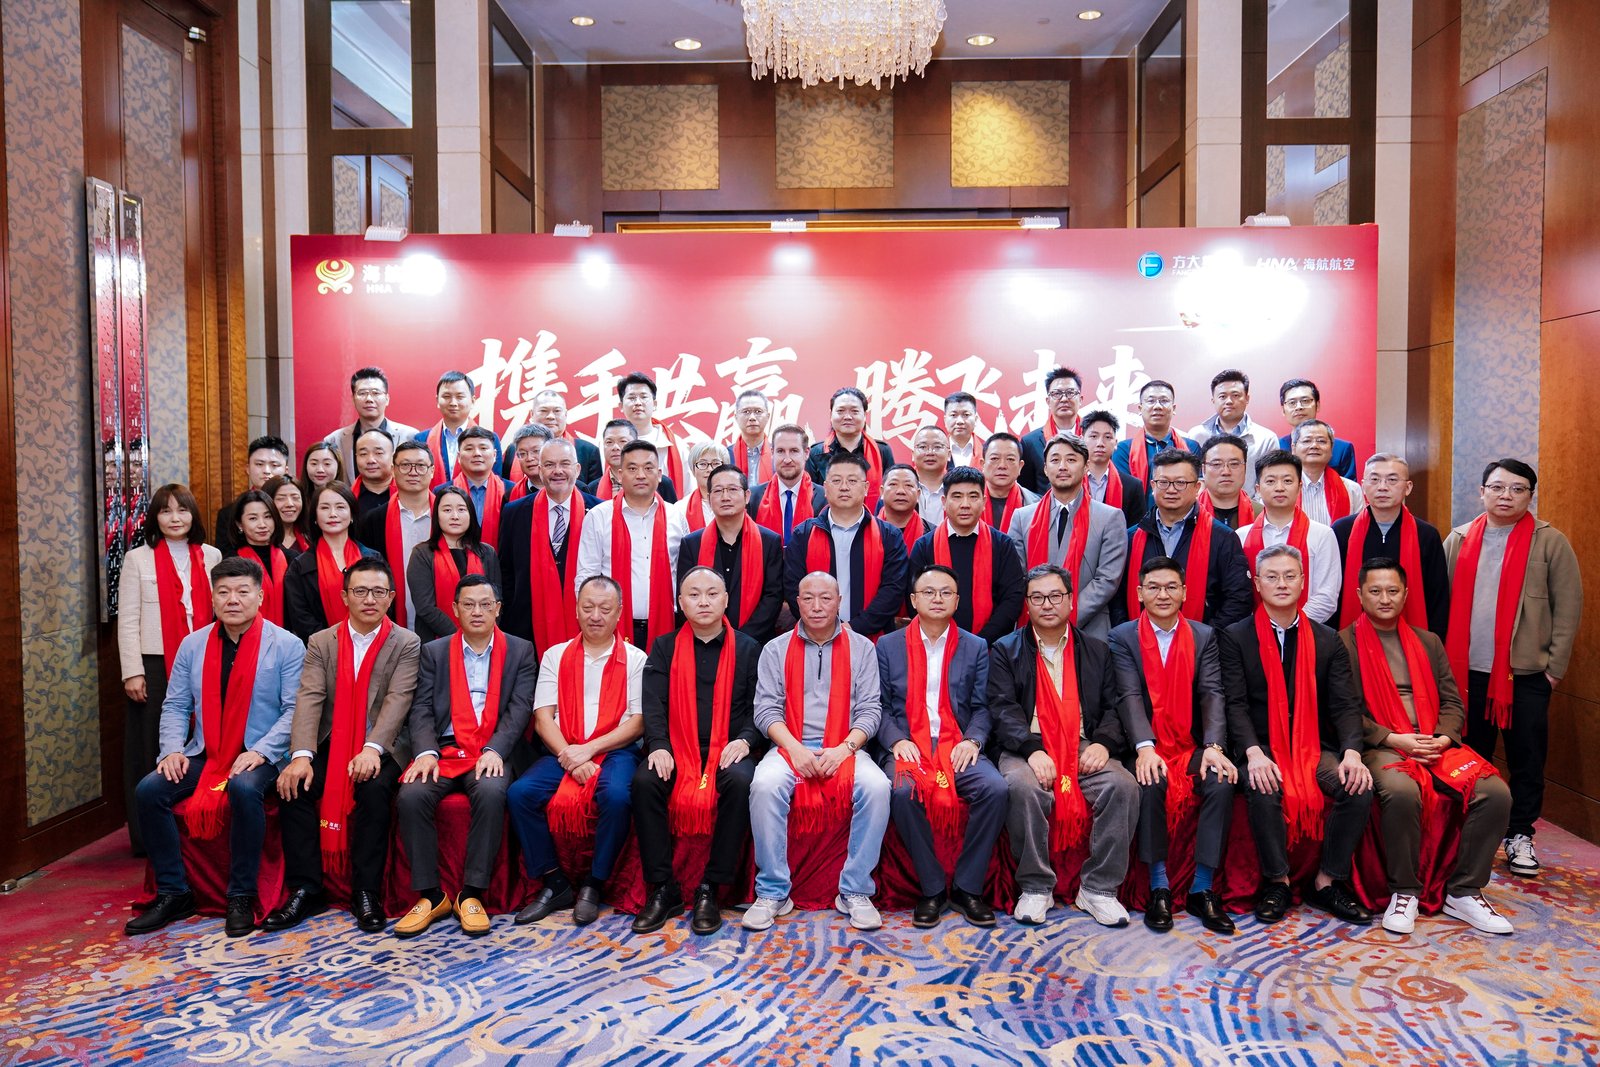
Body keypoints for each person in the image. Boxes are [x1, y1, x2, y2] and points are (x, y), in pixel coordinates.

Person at [125, 557, 306, 938]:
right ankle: (174, 892)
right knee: (149, 791)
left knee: (244, 787)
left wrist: (262, 751)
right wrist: (171, 750)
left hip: (262, 752)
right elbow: (176, 705)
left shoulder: (286, 645)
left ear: (260, 596)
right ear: (212, 598)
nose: (232, 600)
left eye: (242, 592)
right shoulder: (193, 645)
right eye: (223, 592)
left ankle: (241, 894)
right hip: (207, 751)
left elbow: (294, 711)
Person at [1339, 559, 1513, 935]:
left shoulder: (1428, 641)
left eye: (1393, 591)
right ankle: (1404, 891)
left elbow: (1453, 702)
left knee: (1496, 792)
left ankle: (1464, 891)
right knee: (1402, 791)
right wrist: (1392, 738)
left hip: (1434, 740)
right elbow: (1343, 709)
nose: (1385, 598)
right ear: (1359, 595)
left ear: (1405, 594)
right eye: (1375, 591)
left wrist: (1444, 738)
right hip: (1383, 744)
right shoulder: (1343, 644)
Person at [1220, 545, 1374, 926]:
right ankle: (1278, 881)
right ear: (1257, 584)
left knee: (1357, 786)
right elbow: (1234, 705)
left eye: (1290, 576)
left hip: (1312, 747)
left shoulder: (1327, 639)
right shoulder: (1235, 637)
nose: (1282, 584)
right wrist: (1252, 752)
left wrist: (1352, 753)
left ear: (1303, 582)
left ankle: (1327, 881)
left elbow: (1345, 706)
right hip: (1260, 745)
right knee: (1262, 784)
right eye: (1272, 577)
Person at [266, 558, 422, 933]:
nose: (369, 599)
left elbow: (398, 700)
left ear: (391, 598)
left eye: (378, 592)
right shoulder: (322, 641)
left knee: (373, 788)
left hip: (384, 744)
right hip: (333, 741)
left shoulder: (406, 642)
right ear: (344, 596)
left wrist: (372, 748)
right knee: (294, 785)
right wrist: (301, 756)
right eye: (360, 591)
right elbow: (309, 698)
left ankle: (365, 891)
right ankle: (306, 888)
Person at [1445, 459, 1582, 879]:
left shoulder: (1550, 542)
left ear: (1530, 495)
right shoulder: (1458, 539)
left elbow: (1568, 607)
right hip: (1467, 674)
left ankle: (1520, 834)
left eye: (1517, 489)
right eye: (1497, 487)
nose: (1506, 496)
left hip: (1524, 675)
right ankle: (1468, 834)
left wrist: (1553, 670)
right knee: (1470, 758)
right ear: (1481, 491)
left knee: (1526, 758)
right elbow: (1440, 600)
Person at [989, 564, 1139, 927]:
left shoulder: (1097, 650)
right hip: (1028, 745)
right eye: (1037, 597)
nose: (1047, 604)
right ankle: (1035, 886)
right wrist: (1031, 749)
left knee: (1123, 786)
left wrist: (1104, 744)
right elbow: (1002, 708)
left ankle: (1099, 889)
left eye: (1055, 596)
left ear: (1071, 601)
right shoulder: (1006, 650)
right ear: (1027, 604)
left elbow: (1115, 705)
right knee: (1023, 787)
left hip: (1082, 742)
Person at [745, 572, 891, 932]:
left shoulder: (863, 648)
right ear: (797, 603)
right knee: (763, 785)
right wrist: (794, 749)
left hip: (845, 745)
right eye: (808, 598)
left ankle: (856, 889)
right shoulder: (775, 649)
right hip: (790, 746)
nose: (816, 606)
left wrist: (844, 749)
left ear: (839, 602)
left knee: (878, 787)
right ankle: (772, 891)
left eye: (825, 598)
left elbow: (870, 711)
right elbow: (766, 711)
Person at [394, 575, 536, 938]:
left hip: (492, 748)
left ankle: (471, 893)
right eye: (468, 604)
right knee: (411, 795)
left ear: (497, 609)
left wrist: (496, 750)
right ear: (455, 609)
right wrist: (425, 752)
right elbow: (421, 708)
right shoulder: (435, 651)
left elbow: (519, 709)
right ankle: (431, 895)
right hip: (444, 748)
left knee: (491, 791)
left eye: (485, 604)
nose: (477, 612)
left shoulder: (520, 650)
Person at [629, 569, 763, 934]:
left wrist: (746, 739)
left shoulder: (749, 648)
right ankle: (663, 888)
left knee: (740, 782)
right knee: (645, 782)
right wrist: (659, 745)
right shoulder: (664, 647)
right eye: (693, 594)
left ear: (726, 600)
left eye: (711, 594)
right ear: (680, 603)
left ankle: (711, 888)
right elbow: (653, 704)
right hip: (676, 745)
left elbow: (760, 705)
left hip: (730, 747)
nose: (703, 602)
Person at [1109, 556, 1237, 935]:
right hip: (1143, 744)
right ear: (1139, 593)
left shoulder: (1204, 635)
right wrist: (1144, 747)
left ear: (1184, 592)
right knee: (1149, 780)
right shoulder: (1122, 637)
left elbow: (1213, 693)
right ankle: (1159, 886)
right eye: (1154, 587)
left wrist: (1213, 746)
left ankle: (1202, 888)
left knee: (1221, 780)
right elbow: (1129, 695)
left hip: (1190, 744)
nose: (1162, 595)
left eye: (1170, 587)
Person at [511, 576, 646, 926]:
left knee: (617, 796)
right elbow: (543, 719)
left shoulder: (635, 659)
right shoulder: (555, 656)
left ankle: (593, 884)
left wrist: (589, 750)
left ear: (619, 613)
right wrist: (570, 757)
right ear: (576, 609)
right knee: (520, 794)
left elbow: (637, 723)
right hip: (563, 749)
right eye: (588, 607)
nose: (595, 616)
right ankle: (555, 882)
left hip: (615, 750)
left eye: (605, 608)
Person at [877, 565, 1006, 928]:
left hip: (956, 741)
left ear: (957, 601)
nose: (937, 599)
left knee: (995, 789)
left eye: (946, 592)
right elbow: (879, 706)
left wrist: (973, 740)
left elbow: (982, 707)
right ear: (913, 600)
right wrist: (896, 739)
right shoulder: (887, 645)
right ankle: (933, 889)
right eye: (929, 592)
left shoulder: (975, 646)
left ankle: (967, 888)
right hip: (907, 743)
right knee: (903, 792)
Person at [117, 485, 223, 855]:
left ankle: (194, 827)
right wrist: (132, 671)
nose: (175, 518)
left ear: (194, 515)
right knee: (150, 745)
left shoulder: (211, 555)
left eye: (182, 510)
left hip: (205, 657)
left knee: (204, 740)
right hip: (155, 662)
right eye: (166, 511)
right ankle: (147, 838)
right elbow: (127, 620)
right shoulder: (138, 559)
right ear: (155, 518)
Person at [1116, 449, 1253, 630]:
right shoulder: (1132, 537)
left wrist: (1206, 637)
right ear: (1152, 486)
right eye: (1163, 482)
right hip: (1139, 640)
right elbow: (1117, 598)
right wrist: (1129, 637)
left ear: (1197, 487)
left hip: (1203, 642)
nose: (1171, 490)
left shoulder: (1222, 538)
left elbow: (1238, 599)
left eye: (1180, 483)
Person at [1007, 433, 1126, 638]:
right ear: (1045, 468)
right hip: (1034, 628)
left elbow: (1106, 580)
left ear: (1086, 466)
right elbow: (1017, 576)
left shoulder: (1110, 517)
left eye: (1071, 460)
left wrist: (1065, 615)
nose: (1062, 466)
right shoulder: (1022, 517)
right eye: (1055, 460)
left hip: (1088, 631)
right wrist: (1042, 613)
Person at [575, 440, 689, 650]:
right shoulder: (599, 516)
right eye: (632, 468)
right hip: (611, 626)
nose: (641, 475)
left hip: (669, 625)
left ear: (659, 474)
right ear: (619, 475)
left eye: (648, 468)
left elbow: (686, 575)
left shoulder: (676, 516)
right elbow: (586, 574)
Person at [783, 453, 910, 642]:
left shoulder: (889, 536)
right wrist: (825, 628)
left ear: (866, 488)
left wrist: (854, 627)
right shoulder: (803, 534)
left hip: (872, 640)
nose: (844, 487)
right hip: (815, 638)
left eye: (852, 481)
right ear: (825, 488)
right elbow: (793, 587)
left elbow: (893, 590)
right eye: (836, 481)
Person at [499, 437, 600, 655]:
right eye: (549, 464)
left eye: (565, 464)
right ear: (540, 469)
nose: (557, 471)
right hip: (527, 631)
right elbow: (506, 572)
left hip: (586, 626)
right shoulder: (514, 512)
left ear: (577, 469)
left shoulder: (599, 511)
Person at [1332, 453, 1450, 636]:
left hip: (1412, 637)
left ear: (1408, 487)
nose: (1382, 487)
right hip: (1352, 638)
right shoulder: (1341, 531)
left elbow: (1438, 597)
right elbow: (1333, 592)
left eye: (1392, 480)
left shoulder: (1427, 535)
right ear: (1363, 486)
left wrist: (1432, 642)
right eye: (1374, 479)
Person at [907, 467, 1025, 644]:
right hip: (936, 643)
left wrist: (979, 642)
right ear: (944, 501)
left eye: (973, 496)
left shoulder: (1002, 544)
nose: (965, 504)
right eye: (957, 496)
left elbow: (1013, 598)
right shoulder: (924, 546)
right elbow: (915, 599)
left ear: (984, 501)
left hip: (991, 646)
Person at [676, 465, 784, 643]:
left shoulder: (769, 541)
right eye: (718, 491)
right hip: (704, 641)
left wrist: (742, 641)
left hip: (754, 643)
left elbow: (773, 597)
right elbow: (686, 595)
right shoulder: (692, 544)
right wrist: (711, 635)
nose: (725, 497)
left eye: (732, 489)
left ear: (747, 496)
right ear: (709, 498)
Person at [1237, 450, 1341, 624]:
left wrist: (1290, 625)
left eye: (1287, 481)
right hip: (1253, 632)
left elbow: (1326, 596)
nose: (1279, 488)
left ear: (1299, 487)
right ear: (1258, 489)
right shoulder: (1241, 537)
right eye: (1270, 481)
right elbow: (1237, 593)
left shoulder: (1322, 535)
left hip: (1307, 629)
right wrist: (1260, 628)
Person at [284, 483, 381, 642]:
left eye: (340, 507)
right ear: (315, 517)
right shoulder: (300, 566)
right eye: (324, 508)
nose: (333, 514)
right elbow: (300, 617)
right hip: (322, 648)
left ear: (352, 515)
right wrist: (333, 644)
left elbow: (384, 604)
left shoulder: (373, 559)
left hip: (371, 642)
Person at [408, 487, 503, 644]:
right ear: (436, 515)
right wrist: (462, 638)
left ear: (470, 514)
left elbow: (496, 599)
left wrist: (482, 633)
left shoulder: (487, 553)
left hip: (483, 641)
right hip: (438, 642)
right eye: (447, 510)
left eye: (461, 509)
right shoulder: (422, 553)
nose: (455, 516)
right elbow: (425, 607)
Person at [356, 439, 435, 630]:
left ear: (432, 471)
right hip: (390, 619)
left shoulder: (448, 516)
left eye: (421, 466)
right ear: (393, 470)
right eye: (405, 465)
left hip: (439, 619)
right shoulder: (373, 520)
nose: (413, 472)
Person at [805, 387, 898, 511]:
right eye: (841, 411)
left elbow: (890, 493)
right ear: (831, 415)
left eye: (854, 411)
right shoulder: (816, 453)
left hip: (872, 520)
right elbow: (810, 496)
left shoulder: (882, 451)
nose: (847, 417)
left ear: (864, 415)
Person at [1187, 369, 1280, 494]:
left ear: (1247, 398)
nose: (1229, 401)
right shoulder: (1197, 435)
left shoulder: (1266, 439)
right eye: (1222, 396)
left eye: (1235, 395)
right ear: (1213, 400)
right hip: (1204, 506)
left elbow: (1271, 482)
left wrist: (1253, 506)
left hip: (1251, 505)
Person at [322, 366, 420, 479]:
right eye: (362, 393)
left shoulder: (410, 436)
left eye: (375, 393)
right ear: (353, 399)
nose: (369, 399)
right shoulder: (334, 440)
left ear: (387, 399)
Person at [415, 370, 502, 489]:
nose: (453, 403)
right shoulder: (421, 439)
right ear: (437, 401)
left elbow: (496, 482)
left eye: (460, 397)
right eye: (446, 397)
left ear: (473, 401)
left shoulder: (490, 440)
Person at [1112, 379, 1200, 491]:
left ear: (1173, 408)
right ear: (1140, 409)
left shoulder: (1191, 447)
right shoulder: (1123, 450)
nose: (1157, 406)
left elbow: (1195, 490)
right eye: (1151, 401)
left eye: (1164, 401)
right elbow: (1124, 492)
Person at [228, 489, 297, 628]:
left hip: (289, 636)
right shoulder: (232, 563)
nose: (262, 524)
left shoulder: (292, 559)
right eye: (253, 518)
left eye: (268, 517)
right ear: (239, 524)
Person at [748, 423, 823, 545]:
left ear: (806, 453)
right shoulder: (753, 498)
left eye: (794, 451)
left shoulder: (824, 498)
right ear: (772, 453)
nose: (787, 459)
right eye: (781, 451)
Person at [214, 436, 290, 555]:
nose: (266, 471)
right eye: (259, 464)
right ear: (248, 469)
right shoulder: (229, 514)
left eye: (274, 465)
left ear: (286, 471)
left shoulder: (294, 509)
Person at [618, 371, 690, 494]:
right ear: (621, 406)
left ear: (655, 404)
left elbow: (689, 491)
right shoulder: (608, 445)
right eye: (631, 398)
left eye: (644, 397)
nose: (638, 402)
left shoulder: (677, 446)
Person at [1277, 378, 1357, 480]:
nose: (1299, 407)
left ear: (1317, 405)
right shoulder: (1275, 446)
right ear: (1283, 410)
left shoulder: (1342, 449)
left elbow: (1348, 488)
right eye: (1292, 403)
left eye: (1305, 401)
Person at [1019, 367, 1084, 494]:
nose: (1064, 399)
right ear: (1048, 401)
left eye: (1070, 392)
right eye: (1057, 394)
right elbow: (1027, 492)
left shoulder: (1093, 438)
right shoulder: (1030, 443)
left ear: (1080, 399)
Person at [584, 417, 679, 503]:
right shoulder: (592, 488)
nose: (615, 447)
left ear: (635, 443)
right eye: (609, 442)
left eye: (622, 441)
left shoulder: (661, 483)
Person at [1079, 410, 1146, 526]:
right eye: (1094, 436)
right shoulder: (1069, 481)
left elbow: (1137, 530)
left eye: (1107, 437)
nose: (1100, 443)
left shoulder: (1132, 486)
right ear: (1081, 440)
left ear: (1115, 443)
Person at [1291, 420, 1363, 526]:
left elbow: (1359, 529)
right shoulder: (1282, 488)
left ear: (1331, 448)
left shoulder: (1352, 489)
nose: (1314, 445)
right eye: (1307, 441)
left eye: (1321, 441)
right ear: (1293, 448)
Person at [450, 426, 511, 549]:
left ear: (494, 455)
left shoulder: (511, 490)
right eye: (469, 449)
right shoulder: (444, 491)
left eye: (483, 448)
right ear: (459, 457)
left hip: (501, 560)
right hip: (455, 559)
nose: (477, 453)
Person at [529, 388, 604, 485]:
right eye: (543, 411)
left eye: (557, 411)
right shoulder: (515, 451)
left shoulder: (588, 451)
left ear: (565, 414)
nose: (551, 416)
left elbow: (594, 491)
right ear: (532, 414)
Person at [1197, 434, 1255, 530]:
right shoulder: (1187, 513)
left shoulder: (1262, 514)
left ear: (1245, 468)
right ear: (1203, 470)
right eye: (1216, 464)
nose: (1226, 472)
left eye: (1234, 464)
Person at [981, 432, 1037, 530]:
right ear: (983, 464)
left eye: (1010, 459)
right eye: (994, 458)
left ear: (1020, 466)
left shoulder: (1038, 505)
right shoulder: (966, 504)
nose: (1002, 465)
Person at [674, 441, 725, 532]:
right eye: (702, 464)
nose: (710, 469)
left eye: (716, 463)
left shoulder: (736, 502)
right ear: (693, 470)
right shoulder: (680, 508)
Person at [909, 425, 952, 527]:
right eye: (922, 447)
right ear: (913, 454)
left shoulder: (958, 487)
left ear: (949, 454)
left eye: (937, 447)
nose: (930, 453)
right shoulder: (901, 488)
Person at [352, 428, 397, 524]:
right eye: (363, 454)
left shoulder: (407, 494)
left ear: (393, 457)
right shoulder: (347, 499)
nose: (371, 460)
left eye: (379, 453)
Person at [878, 464, 929, 549]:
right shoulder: (865, 531)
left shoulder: (932, 535)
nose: (901, 491)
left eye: (908, 485)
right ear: (882, 492)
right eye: (893, 484)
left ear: (918, 494)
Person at [727, 389, 774, 481]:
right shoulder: (726, 456)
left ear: (768, 416)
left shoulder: (778, 455)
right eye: (746, 412)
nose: (752, 417)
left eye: (758, 411)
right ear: (736, 417)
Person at [505, 424, 551, 500]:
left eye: (536, 451)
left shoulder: (570, 488)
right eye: (522, 453)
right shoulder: (510, 496)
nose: (529, 458)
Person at [267, 474, 311, 552]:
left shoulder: (311, 538)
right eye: (281, 498)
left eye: (295, 498)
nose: (290, 504)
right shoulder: (260, 538)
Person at [943, 391, 983, 469]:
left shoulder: (986, 454)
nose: (960, 421)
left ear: (975, 419)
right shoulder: (936, 454)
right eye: (953, 415)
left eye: (966, 415)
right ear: (945, 420)